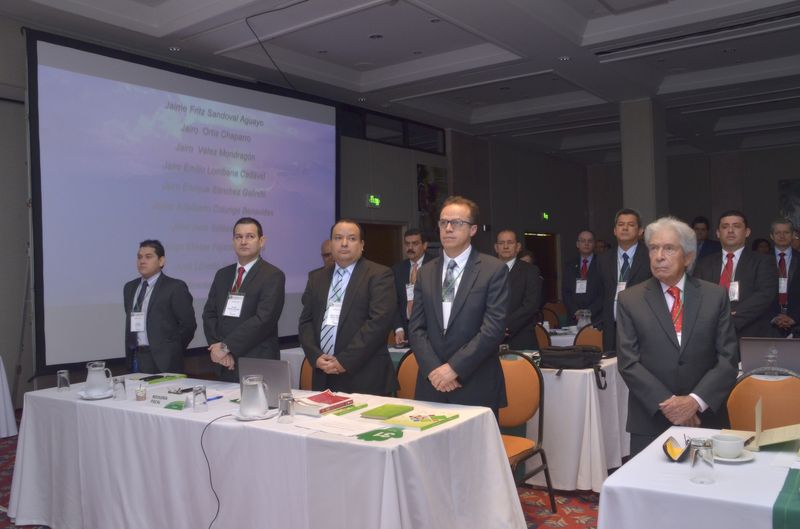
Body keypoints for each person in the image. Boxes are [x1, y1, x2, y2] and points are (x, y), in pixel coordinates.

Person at [617, 217, 738, 457]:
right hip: (651, 420)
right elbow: (628, 362)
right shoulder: (630, 299)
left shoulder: (714, 296)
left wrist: (694, 402)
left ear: (688, 257)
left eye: (669, 248)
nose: (659, 256)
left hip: (705, 418)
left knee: (706, 479)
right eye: (653, 248)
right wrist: (671, 405)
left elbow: (728, 358)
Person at [408, 196, 508, 414]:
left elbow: (493, 329)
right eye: (443, 222)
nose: (448, 228)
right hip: (433, 383)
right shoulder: (426, 272)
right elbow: (416, 328)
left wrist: (454, 368)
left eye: (457, 223)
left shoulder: (493, 269)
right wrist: (434, 369)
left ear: (473, 229)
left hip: (475, 381)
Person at [299, 219, 397, 395]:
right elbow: (306, 322)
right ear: (331, 243)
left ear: (362, 245)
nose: (344, 243)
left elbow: (378, 323)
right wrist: (316, 356)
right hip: (324, 374)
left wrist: (344, 361)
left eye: (351, 238)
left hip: (365, 376)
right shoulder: (316, 278)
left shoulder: (379, 275)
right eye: (338, 238)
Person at [202, 217, 285, 382]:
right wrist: (219, 350)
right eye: (238, 237)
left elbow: (264, 319)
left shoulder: (272, 275)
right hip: (225, 364)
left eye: (250, 236)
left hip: (257, 362)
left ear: (261, 241)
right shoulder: (222, 275)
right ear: (233, 241)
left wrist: (227, 347)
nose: (243, 241)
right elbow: (209, 314)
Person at [693, 210, 777, 338]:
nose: (730, 230)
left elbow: (765, 295)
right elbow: (696, 295)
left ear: (747, 232)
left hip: (748, 333)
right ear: (718, 233)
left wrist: (728, 320)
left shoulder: (763, 261)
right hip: (710, 334)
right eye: (725, 227)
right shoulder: (703, 263)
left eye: (736, 226)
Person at [124, 240, 196, 373]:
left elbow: (188, 325)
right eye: (139, 257)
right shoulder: (129, 287)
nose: (142, 261)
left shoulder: (175, 287)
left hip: (164, 360)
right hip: (135, 357)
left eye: (148, 257)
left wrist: (172, 350)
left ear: (161, 261)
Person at [596, 208, 652, 352]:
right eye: (621, 224)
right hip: (611, 328)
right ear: (615, 230)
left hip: (642, 328)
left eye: (631, 225)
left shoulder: (651, 257)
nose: (625, 228)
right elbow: (599, 293)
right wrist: (600, 321)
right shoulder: (603, 259)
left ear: (640, 231)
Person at [494, 229, 542, 350]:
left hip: (521, 338)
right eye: (501, 243)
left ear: (518, 246)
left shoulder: (530, 271)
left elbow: (531, 304)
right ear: (496, 247)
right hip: (491, 339)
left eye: (510, 242)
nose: (505, 246)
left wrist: (505, 326)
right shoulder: (486, 271)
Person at [391, 229, 434, 346]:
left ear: (424, 245)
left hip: (430, 332)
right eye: (407, 243)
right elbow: (394, 303)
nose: (410, 247)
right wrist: (398, 329)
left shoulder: (436, 266)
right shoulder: (397, 270)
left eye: (415, 243)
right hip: (405, 331)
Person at [562, 229, 603, 324]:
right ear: (577, 244)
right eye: (583, 241)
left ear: (594, 244)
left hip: (596, 318)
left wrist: (589, 312)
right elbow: (566, 292)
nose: (586, 244)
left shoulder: (602, 264)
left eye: (590, 241)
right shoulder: (569, 265)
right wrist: (575, 311)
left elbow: (604, 293)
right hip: (574, 318)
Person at [768, 219, 800, 335]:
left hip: (797, 323)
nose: (782, 236)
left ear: (793, 234)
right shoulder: (760, 260)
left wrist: (795, 318)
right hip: (767, 324)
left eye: (786, 232)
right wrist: (773, 318)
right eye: (778, 233)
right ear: (771, 236)